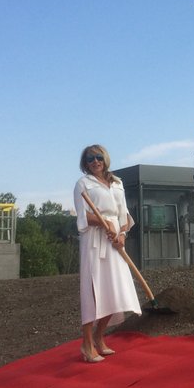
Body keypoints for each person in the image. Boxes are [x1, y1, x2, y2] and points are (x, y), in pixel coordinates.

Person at [73, 144, 141, 363]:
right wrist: (103, 225)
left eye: (98, 157)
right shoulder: (83, 184)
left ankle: (99, 338)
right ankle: (86, 343)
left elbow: (123, 215)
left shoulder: (117, 182)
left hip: (114, 241)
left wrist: (122, 234)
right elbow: (83, 216)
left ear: (105, 158)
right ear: (85, 163)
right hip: (94, 239)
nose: (95, 161)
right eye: (90, 158)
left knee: (114, 289)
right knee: (94, 290)